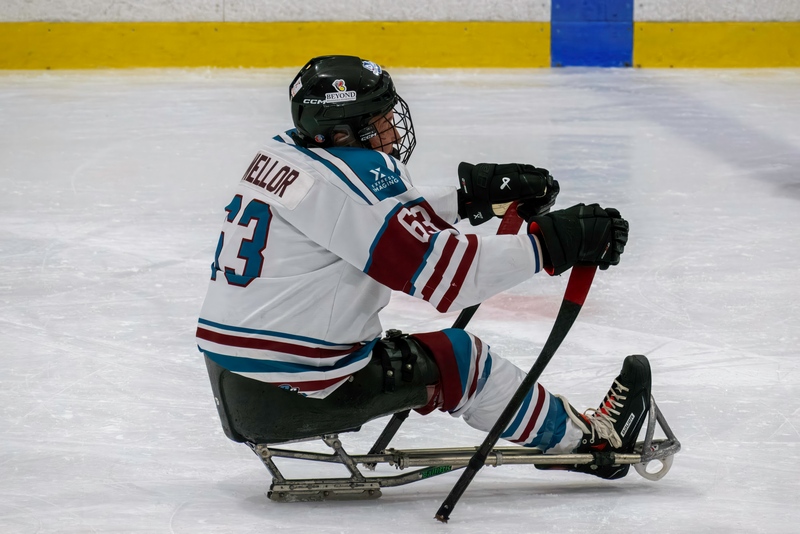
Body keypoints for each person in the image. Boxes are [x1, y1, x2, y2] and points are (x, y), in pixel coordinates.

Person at [197, 55, 645, 480]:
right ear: (343, 133)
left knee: (425, 351)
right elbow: (454, 278)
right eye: (380, 121)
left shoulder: (284, 153)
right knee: (462, 359)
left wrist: (466, 201)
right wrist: (550, 245)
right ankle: (591, 445)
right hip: (300, 384)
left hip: (235, 375)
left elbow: (359, 217)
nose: (393, 130)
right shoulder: (352, 179)